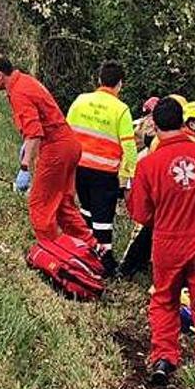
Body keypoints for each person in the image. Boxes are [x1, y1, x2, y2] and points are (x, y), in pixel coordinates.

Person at [127, 97, 195, 389]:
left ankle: (164, 357)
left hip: (167, 242)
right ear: (183, 121)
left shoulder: (148, 164)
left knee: (164, 301)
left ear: (156, 125)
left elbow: (141, 214)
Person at [0, 53, 95, 246]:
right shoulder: (26, 81)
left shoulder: (18, 92)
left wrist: (24, 167)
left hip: (56, 149)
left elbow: (35, 133)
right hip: (69, 146)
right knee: (63, 205)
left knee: (40, 204)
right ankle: (90, 247)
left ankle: (54, 252)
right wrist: (27, 146)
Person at [117, 100, 195, 278]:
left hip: (160, 201)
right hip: (177, 206)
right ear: (192, 123)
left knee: (146, 235)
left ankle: (129, 268)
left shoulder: (160, 141)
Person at [66, 60, 137, 275]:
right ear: (120, 84)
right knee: (103, 218)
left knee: (86, 210)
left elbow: (66, 132)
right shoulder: (121, 110)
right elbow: (130, 148)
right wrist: (126, 178)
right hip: (105, 173)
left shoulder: (81, 101)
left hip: (79, 167)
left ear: (99, 79)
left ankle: (84, 249)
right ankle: (105, 262)